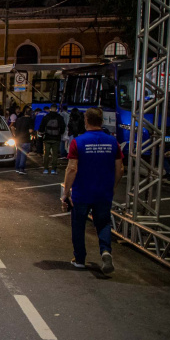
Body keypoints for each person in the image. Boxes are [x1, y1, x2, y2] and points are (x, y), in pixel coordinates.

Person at [62, 108, 123, 273]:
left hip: (82, 192)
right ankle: (105, 251)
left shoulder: (78, 142)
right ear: (101, 121)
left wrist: (66, 192)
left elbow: (72, 168)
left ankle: (80, 259)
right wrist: (113, 186)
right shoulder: (112, 142)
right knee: (103, 223)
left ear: (86, 121)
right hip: (104, 192)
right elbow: (120, 169)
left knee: (78, 225)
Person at [38, 104, 65, 175]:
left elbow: (41, 127)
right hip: (56, 138)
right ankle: (53, 169)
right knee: (55, 155)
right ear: (56, 109)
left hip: (47, 138)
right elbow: (63, 128)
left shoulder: (46, 117)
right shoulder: (60, 117)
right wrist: (60, 133)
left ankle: (46, 169)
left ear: (50, 109)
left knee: (46, 154)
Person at [13, 107, 34, 174]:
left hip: (18, 139)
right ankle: (21, 169)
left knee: (18, 154)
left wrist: (14, 135)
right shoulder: (30, 120)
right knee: (23, 154)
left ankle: (17, 168)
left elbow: (12, 127)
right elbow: (30, 130)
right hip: (25, 139)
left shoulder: (19, 119)